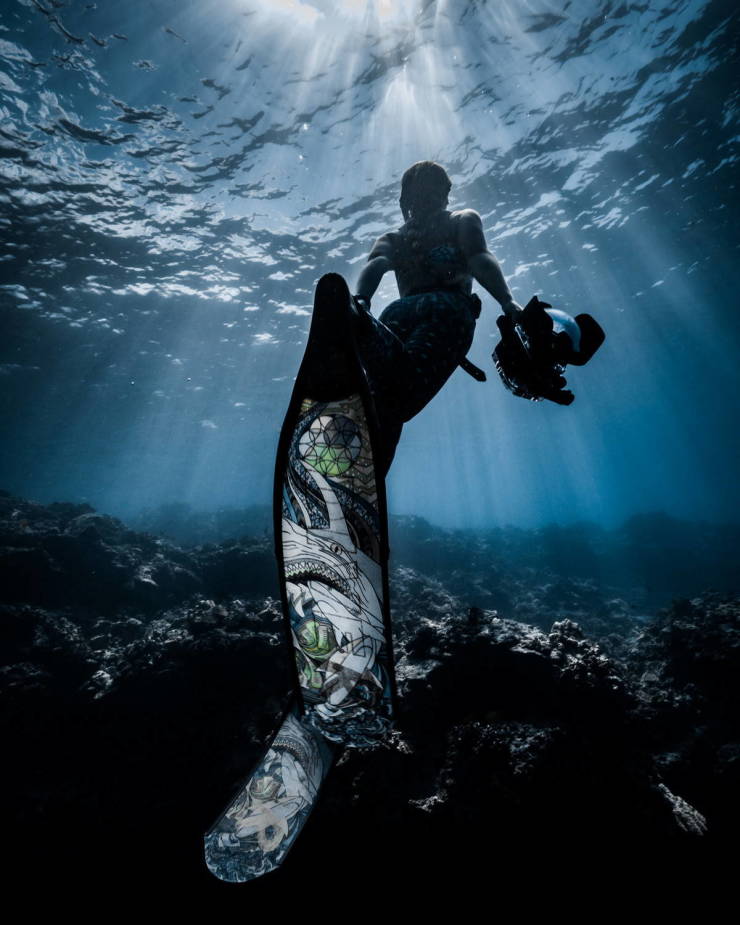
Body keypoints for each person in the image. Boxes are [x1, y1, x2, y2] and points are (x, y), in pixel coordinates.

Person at [349, 160, 525, 475]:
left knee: (381, 399)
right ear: (446, 192)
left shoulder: (393, 237)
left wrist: (360, 301)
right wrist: (508, 302)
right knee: (399, 402)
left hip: (396, 315)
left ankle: (366, 331)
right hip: (448, 310)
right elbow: (479, 259)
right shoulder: (462, 219)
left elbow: (375, 264)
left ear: (404, 200)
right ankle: (367, 476)